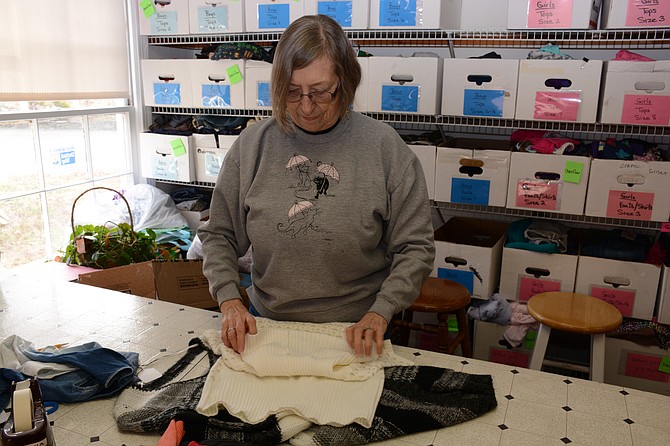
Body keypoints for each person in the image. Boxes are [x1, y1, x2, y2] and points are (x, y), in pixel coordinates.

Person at [198, 14, 435, 357]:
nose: (306, 107)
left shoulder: (384, 149)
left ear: (347, 82)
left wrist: (381, 311)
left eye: (321, 92)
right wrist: (229, 300)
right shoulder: (252, 147)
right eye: (292, 93)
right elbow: (219, 234)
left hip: (356, 331)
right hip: (267, 326)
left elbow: (416, 247)